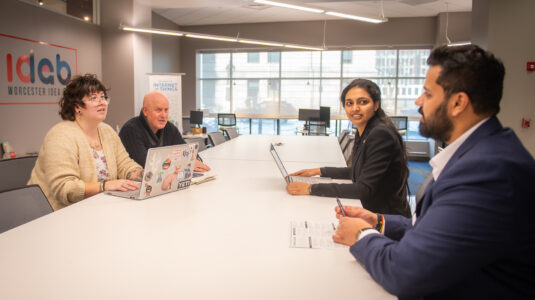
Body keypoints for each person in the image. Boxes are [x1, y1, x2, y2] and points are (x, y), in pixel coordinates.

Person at [333, 45, 535, 299]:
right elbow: (441, 232)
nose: (418, 102)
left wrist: (362, 235)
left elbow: (405, 273)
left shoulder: (489, 172)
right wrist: (378, 221)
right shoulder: (480, 151)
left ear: (458, 103)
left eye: (427, 94)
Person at [286, 79, 411, 217]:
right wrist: (318, 171)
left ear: (376, 105)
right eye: (349, 103)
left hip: (385, 218)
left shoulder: (380, 134)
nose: (355, 108)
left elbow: (364, 189)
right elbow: (359, 171)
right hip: (373, 210)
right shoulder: (366, 129)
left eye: (363, 102)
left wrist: (311, 188)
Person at [29, 74, 143, 211]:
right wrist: (106, 185)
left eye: (103, 97)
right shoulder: (60, 135)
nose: (102, 102)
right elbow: (64, 188)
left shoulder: (107, 131)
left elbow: (125, 165)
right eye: (93, 98)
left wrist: (145, 175)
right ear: (77, 106)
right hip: (58, 214)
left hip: (96, 209)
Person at [119, 91, 210, 172]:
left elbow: (188, 153)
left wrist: (192, 160)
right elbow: (147, 165)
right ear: (145, 111)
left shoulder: (169, 128)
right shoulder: (130, 131)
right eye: (158, 110)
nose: (164, 115)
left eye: (166, 110)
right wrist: (185, 163)